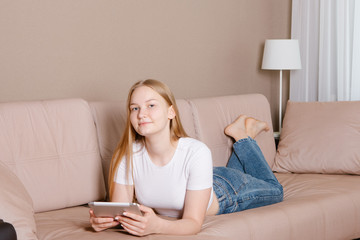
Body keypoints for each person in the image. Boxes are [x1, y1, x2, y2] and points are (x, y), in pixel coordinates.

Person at [89, 79, 283, 236]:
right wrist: (104, 222)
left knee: (275, 189)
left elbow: (193, 223)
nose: (142, 114)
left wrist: (158, 226)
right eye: (135, 108)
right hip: (199, 181)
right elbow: (120, 213)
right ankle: (243, 132)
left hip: (224, 190)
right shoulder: (127, 155)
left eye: (151, 105)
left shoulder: (196, 151)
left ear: (171, 112)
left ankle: (243, 138)